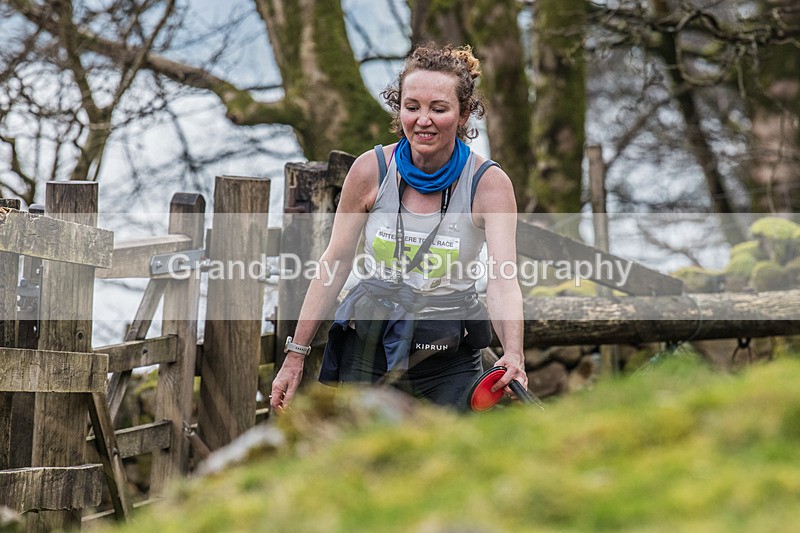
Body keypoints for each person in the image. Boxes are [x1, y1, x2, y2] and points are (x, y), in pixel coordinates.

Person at [270, 43, 525, 412]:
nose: (423, 120)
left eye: (439, 109)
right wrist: (295, 356)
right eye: (412, 107)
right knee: (364, 462)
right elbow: (335, 262)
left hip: (448, 357)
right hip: (367, 346)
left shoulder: (489, 184)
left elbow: (503, 278)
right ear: (399, 107)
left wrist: (513, 354)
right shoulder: (370, 170)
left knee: (445, 463)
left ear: (464, 113)